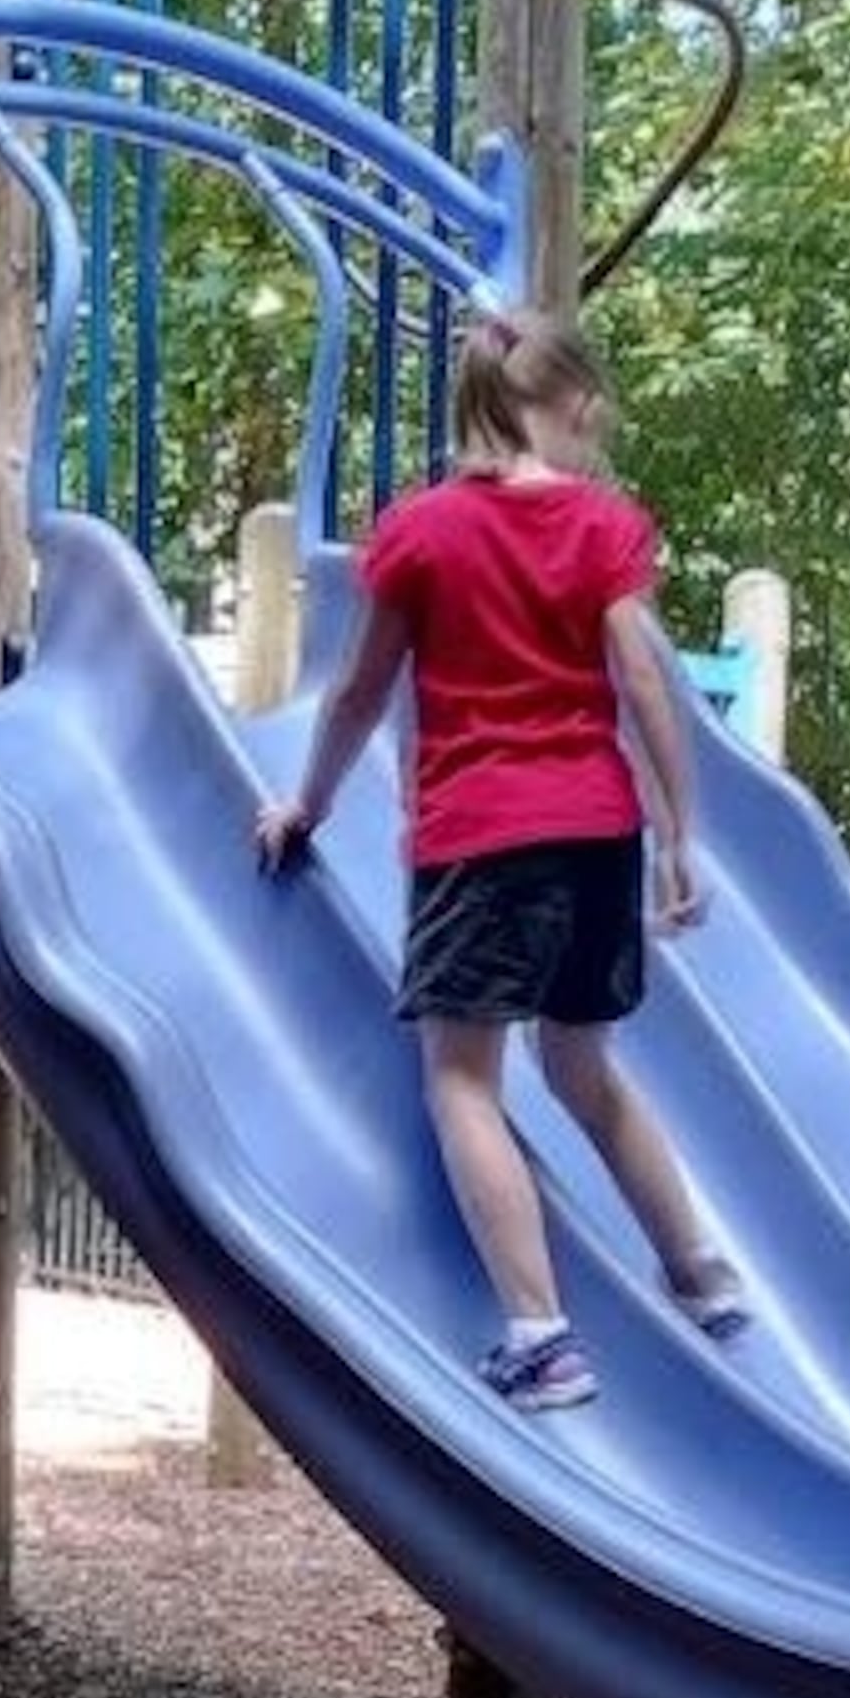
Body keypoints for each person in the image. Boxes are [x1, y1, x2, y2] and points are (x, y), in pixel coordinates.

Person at [252, 307, 748, 1413]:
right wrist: (679, 835)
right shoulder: (604, 524)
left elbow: (358, 691)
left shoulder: (420, 532)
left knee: (462, 1078)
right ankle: (702, 1276)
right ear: (571, 405)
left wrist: (308, 802)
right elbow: (645, 680)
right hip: (598, 833)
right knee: (585, 1069)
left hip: (482, 838)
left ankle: (539, 1333)